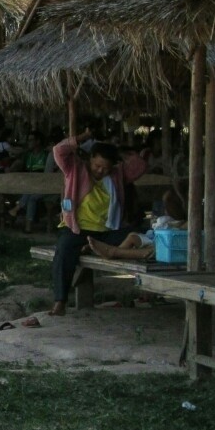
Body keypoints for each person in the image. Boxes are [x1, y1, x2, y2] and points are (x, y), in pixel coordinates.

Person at [49, 130, 148, 316]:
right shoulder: (75, 169)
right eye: (97, 165)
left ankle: (93, 246)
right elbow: (59, 150)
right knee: (63, 250)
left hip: (106, 232)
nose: (101, 170)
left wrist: (119, 151)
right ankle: (60, 301)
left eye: (106, 167)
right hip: (77, 230)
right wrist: (82, 137)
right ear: (90, 158)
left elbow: (140, 166)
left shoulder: (117, 175)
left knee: (140, 234)